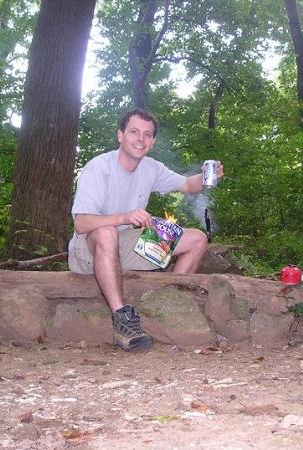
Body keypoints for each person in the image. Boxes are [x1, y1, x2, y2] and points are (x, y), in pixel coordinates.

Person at [68, 108, 223, 352]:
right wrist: (124, 216)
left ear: (152, 141)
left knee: (196, 240)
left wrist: (205, 177)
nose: (140, 139)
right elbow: (82, 223)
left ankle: (166, 305)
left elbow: (187, 185)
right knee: (107, 232)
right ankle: (122, 322)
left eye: (147, 135)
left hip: (126, 246)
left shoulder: (150, 168)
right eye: (134, 132)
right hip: (87, 252)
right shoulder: (99, 168)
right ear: (120, 135)